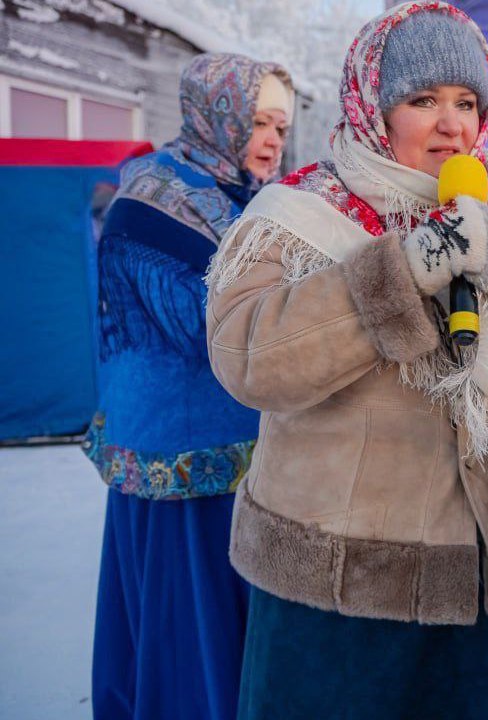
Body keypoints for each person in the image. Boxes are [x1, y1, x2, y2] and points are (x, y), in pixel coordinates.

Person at [203, 4, 488, 718]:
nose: (451, 123)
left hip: (483, 577)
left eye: (466, 102)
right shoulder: (297, 215)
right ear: (374, 104)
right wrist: (401, 271)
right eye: (422, 100)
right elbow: (248, 359)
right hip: (338, 586)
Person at [83, 53, 293, 720]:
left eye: (281, 127)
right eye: (257, 121)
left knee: (235, 642)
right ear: (216, 115)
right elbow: (215, 331)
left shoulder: (247, 200)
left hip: (248, 451)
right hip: (182, 463)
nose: (270, 141)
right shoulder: (152, 205)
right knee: (190, 641)